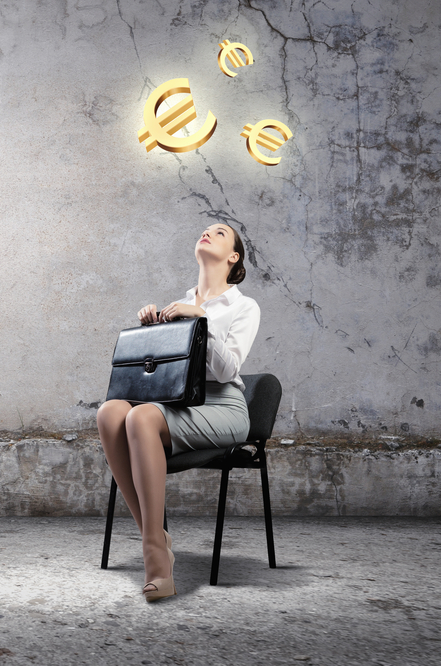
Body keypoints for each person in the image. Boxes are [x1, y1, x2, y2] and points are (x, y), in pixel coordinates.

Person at [96, 223, 260, 602]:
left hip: (224, 406)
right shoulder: (179, 303)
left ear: (233, 256)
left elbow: (226, 371)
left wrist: (198, 319)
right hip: (178, 403)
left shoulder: (243, 307)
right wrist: (152, 334)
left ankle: (155, 557)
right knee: (109, 412)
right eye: (206, 230)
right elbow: (166, 376)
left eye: (220, 233)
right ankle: (155, 536)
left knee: (140, 417)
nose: (208, 233)